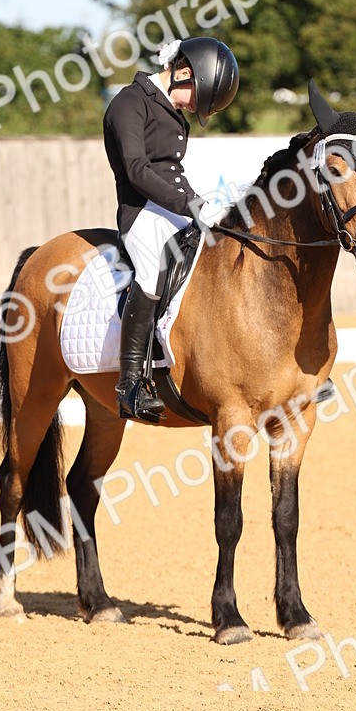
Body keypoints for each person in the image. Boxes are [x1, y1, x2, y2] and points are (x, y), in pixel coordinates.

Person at [103, 36, 240, 422]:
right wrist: (191, 205)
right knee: (150, 273)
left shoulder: (169, 107)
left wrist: (201, 208)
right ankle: (130, 384)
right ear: (182, 72)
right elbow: (137, 170)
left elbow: (171, 173)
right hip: (142, 211)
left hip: (175, 207)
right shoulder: (128, 103)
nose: (194, 109)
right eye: (196, 100)